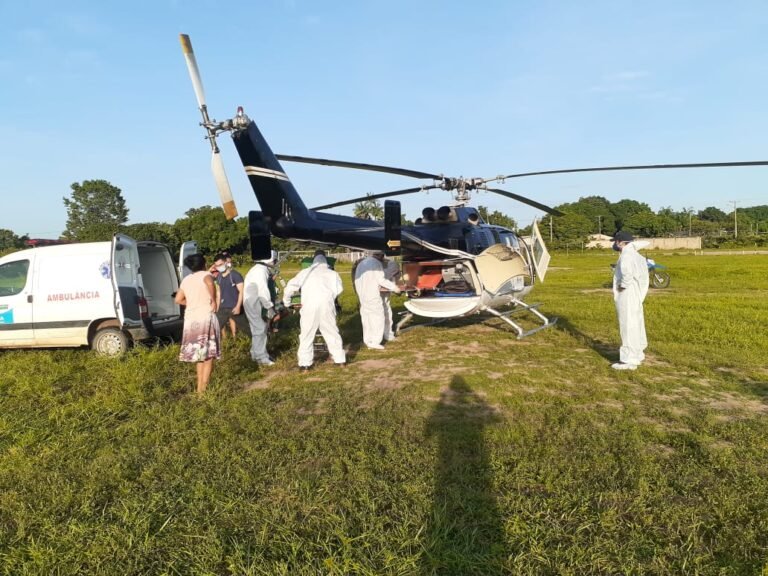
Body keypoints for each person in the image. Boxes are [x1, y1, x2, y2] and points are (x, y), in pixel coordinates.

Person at [282, 250, 346, 371]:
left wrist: (287, 302)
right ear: (325, 260)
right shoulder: (332, 274)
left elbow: (290, 287)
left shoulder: (304, 272)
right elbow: (339, 289)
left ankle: (305, 365)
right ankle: (340, 360)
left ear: (314, 260)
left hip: (309, 306)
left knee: (306, 334)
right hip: (327, 305)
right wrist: (329, 296)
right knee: (332, 332)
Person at [175, 253, 220, 394]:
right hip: (205, 318)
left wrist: (192, 303)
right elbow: (209, 282)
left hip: (191, 320)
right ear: (204, 263)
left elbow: (178, 299)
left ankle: (199, 388)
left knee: (199, 356)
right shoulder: (206, 276)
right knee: (209, 356)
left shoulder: (187, 279)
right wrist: (212, 299)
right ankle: (203, 390)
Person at [611, 230, 650, 370]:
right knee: (636, 322)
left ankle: (629, 360)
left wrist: (622, 286)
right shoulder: (637, 255)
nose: (615, 244)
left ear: (620, 242)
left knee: (627, 324)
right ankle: (638, 353)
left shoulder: (627, 255)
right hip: (636, 293)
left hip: (627, 293)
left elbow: (627, 274)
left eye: (616, 241)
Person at [354, 251, 401, 349]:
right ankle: (375, 341)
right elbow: (381, 280)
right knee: (378, 318)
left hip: (362, 295)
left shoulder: (362, 263)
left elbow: (357, 279)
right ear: (380, 256)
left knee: (366, 319)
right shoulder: (376, 263)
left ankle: (368, 340)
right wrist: (395, 288)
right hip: (373, 295)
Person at [243, 250, 278, 366]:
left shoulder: (259, 269)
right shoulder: (260, 271)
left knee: (257, 329)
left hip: (253, 302)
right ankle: (261, 357)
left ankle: (254, 353)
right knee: (260, 329)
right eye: (275, 260)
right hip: (254, 303)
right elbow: (263, 290)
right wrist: (269, 306)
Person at [211, 252, 244, 340]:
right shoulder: (219, 277)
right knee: (216, 327)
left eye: (220, 264)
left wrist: (238, 306)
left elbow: (241, 291)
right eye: (217, 266)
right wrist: (217, 308)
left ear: (226, 262)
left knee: (245, 328)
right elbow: (218, 293)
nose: (219, 267)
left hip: (234, 306)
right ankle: (223, 341)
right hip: (222, 307)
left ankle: (235, 338)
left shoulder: (235, 275)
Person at [381, 257, 401, 342]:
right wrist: (394, 288)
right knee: (384, 312)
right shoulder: (392, 265)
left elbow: (394, 278)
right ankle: (386, 334)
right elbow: (384, 279)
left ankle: (378, 336)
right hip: (377, 293)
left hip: (374, 292)